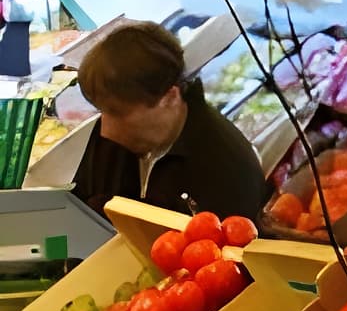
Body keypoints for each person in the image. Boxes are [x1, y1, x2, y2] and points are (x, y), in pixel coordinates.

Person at [71, 20, 267, 221]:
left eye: (118, 113)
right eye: (101, 110)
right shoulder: (111, 139)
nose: (106, 131)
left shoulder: (228, 174)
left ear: (170, 97)